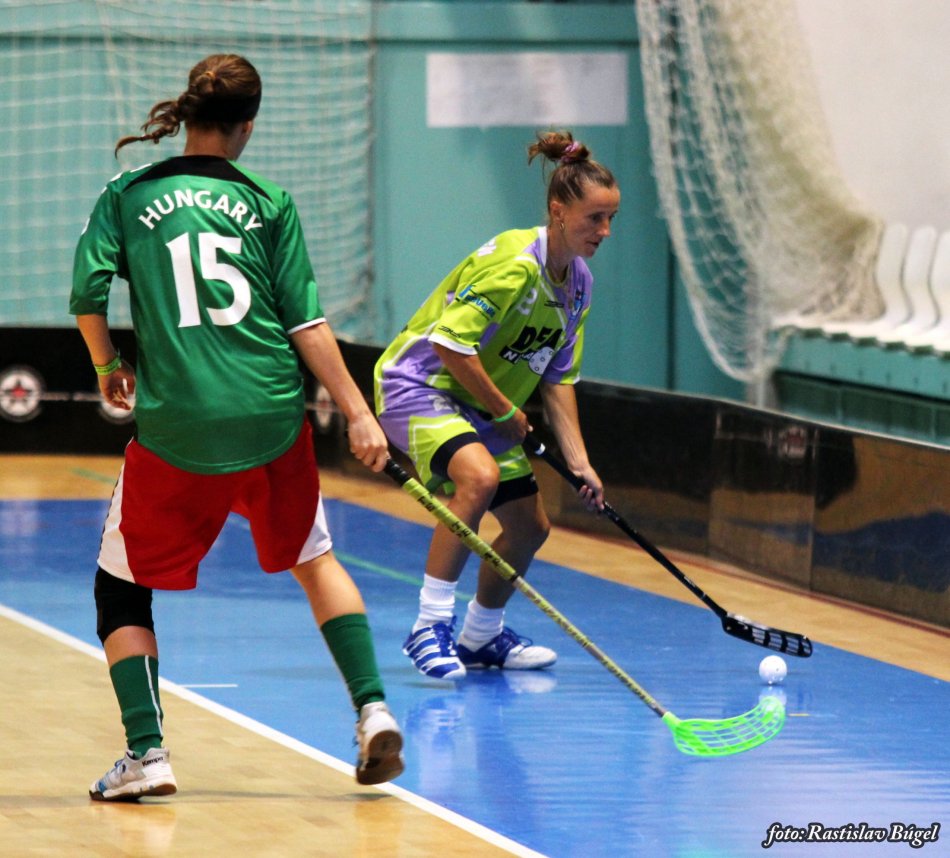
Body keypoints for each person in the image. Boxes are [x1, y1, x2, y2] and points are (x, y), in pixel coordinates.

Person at [70, 54, 403, 801]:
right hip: (271, 416)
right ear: (247, 126)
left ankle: (147, 754)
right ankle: (373, 709)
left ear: (188, 114)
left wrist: (107, 364)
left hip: (180, 425)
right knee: (315, 559)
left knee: (120, 587)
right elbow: (306, 322)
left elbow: (87, 294)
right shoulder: (268, 200)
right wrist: (358, 412)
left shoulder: (128, 193)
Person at [374, 131, 619, 680]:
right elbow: (450, 344)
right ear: (558, 211)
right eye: (594, 218)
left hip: (480, 406)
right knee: (479, 479)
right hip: (419, 386)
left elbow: (557, 377)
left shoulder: (578, 285)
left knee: (530, 527)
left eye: (610, 219)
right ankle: (429, 626)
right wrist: (506, 412)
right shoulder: (515, 265)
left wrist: (580, 462)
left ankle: (481, 635)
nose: (604, 231)